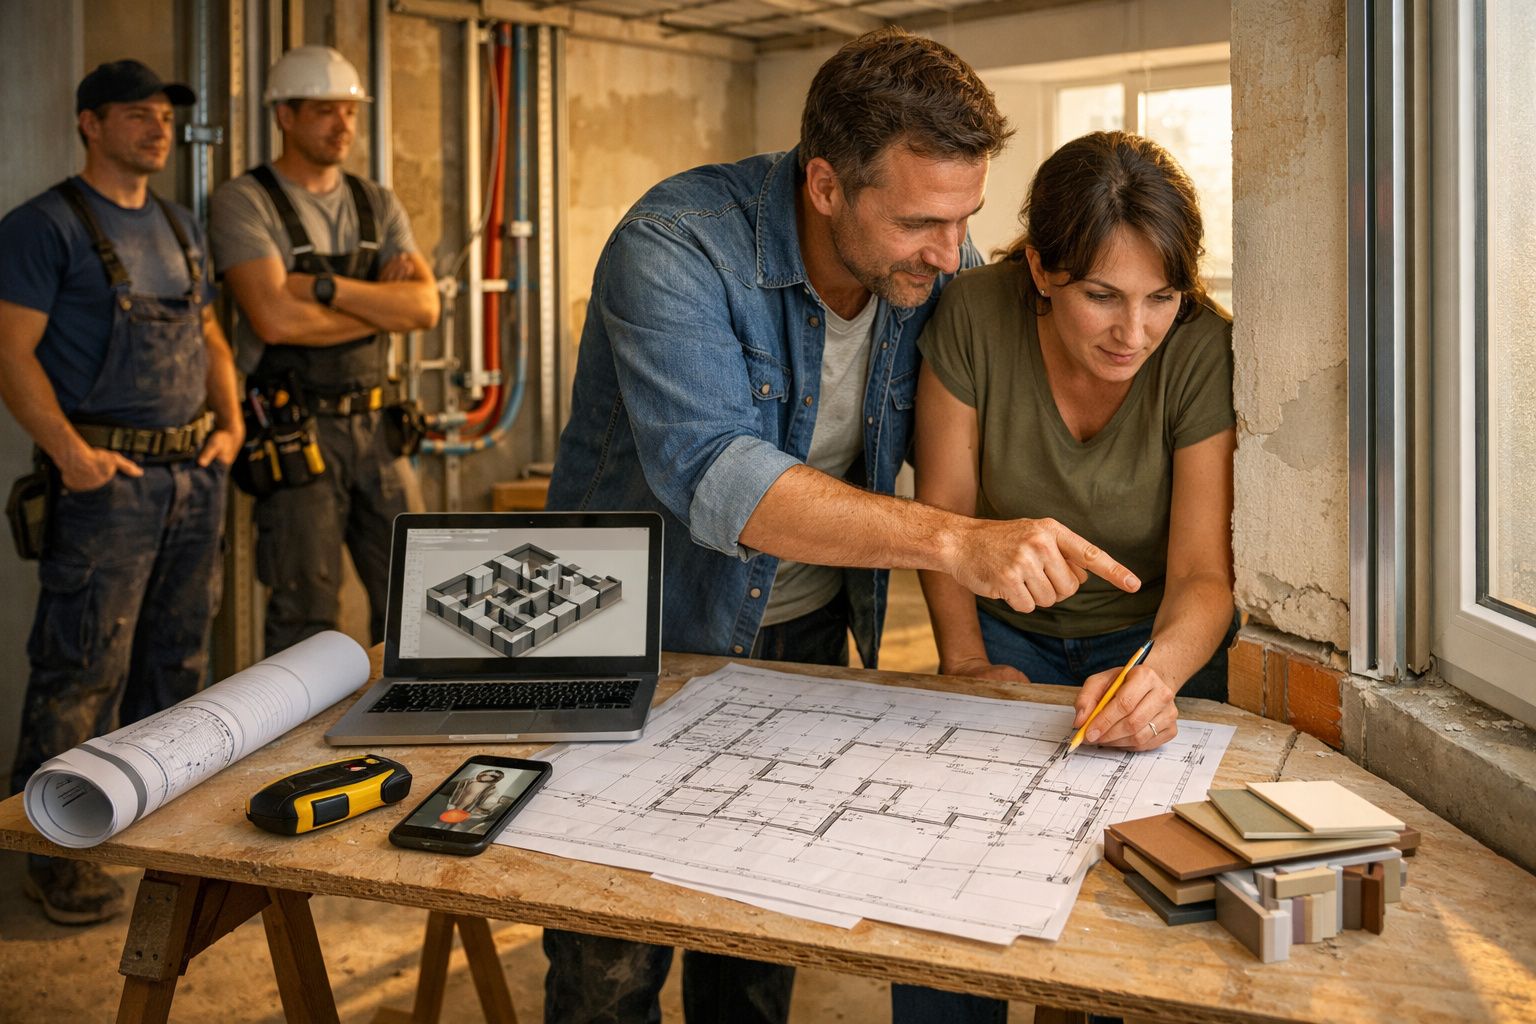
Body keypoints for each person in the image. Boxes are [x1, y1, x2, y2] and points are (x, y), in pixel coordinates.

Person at [544, 28, 1141, 1024]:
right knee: (612, 960)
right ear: (826, 185)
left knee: (753, 942)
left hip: (804, 644)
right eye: (920, 222)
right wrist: (957, 542)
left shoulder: (940, 268)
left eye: (967, 220)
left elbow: (990, 436)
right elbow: (719, 479)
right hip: (628, 640)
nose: (952, 255)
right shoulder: (676, 243)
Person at [904, 131, 1238, 1021]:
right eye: (1102, 297)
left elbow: (1205, 576)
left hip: (1154, 645)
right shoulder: (972, 312)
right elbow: (947, 521)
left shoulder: (1203, 347)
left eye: (1159, 298)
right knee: (941, 896)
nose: (1135, 333)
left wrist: (1154, 681)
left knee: (1127, 918)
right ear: (1044, 270)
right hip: (1001, 632)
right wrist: (967, 666)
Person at [0, 60, 242, 925]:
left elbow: (210, 333)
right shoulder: (42, 228)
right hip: (109, 489)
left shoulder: (179, 225)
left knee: (175, 667)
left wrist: (231, 425)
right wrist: (70, 455)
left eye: (166, 116)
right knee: (82, 667)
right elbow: (9, 351)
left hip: (191, 479)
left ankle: (152, 833)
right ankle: (56, 855)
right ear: (89, 125)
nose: (158, 128)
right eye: (136, 115)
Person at [209, 45, 439, 656]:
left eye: (350, 112)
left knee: (420, 604)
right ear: (284, 116)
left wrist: (327, 289)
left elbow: (424, 308)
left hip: (381, 432)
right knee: (304, 617)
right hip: (296, 433)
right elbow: (275, 318)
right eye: (324, 112)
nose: (343, 126)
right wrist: (373, 309)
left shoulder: (376, 202)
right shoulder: (245, 201)